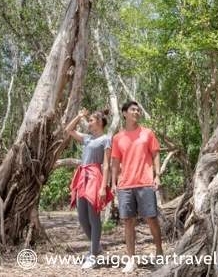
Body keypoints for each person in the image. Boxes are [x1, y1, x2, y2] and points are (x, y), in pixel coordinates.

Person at [111, 100, 163, 274]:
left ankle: (159, 253)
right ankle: (131, 259)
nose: (137, 112)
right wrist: (113, 183)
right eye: (133, 109)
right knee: (128, 222)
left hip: (145, 182)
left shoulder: (147, 133)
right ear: (124, 113)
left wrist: (157, 175)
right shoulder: (118, 137)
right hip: (125, 185)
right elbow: (115, 162)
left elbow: (155, 154)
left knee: (151, 218)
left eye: (138, 110)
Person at [65, 108, 114, 269]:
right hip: (82, 177)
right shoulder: (87, 138)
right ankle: (97, 248)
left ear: (99, 122)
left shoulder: (106, 139)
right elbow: (68, 130)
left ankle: (93, 255)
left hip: (95, 177)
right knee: (82, 218)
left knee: (94, 217)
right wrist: (79, 116)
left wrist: (103, 187)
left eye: (91, 120)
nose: (89, 123)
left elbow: (106, 164)